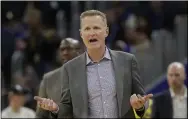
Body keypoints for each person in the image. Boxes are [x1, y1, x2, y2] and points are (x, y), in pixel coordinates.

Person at [34, 10, 153, 118]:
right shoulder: (70, 68)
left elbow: (142, 99)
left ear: (106, 31)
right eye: (87, 29)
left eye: (96, 28)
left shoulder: (127, 61)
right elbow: (67, 109)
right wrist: (55, 109)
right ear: (81, 34)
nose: (92, 33)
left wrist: (140, 106)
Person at [36, 38, 82, 118]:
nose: (65, 53)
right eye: (62, 49)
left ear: (80, 52)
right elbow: (41, 115)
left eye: (69, 49)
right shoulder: (48, 79)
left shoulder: (91, 74)